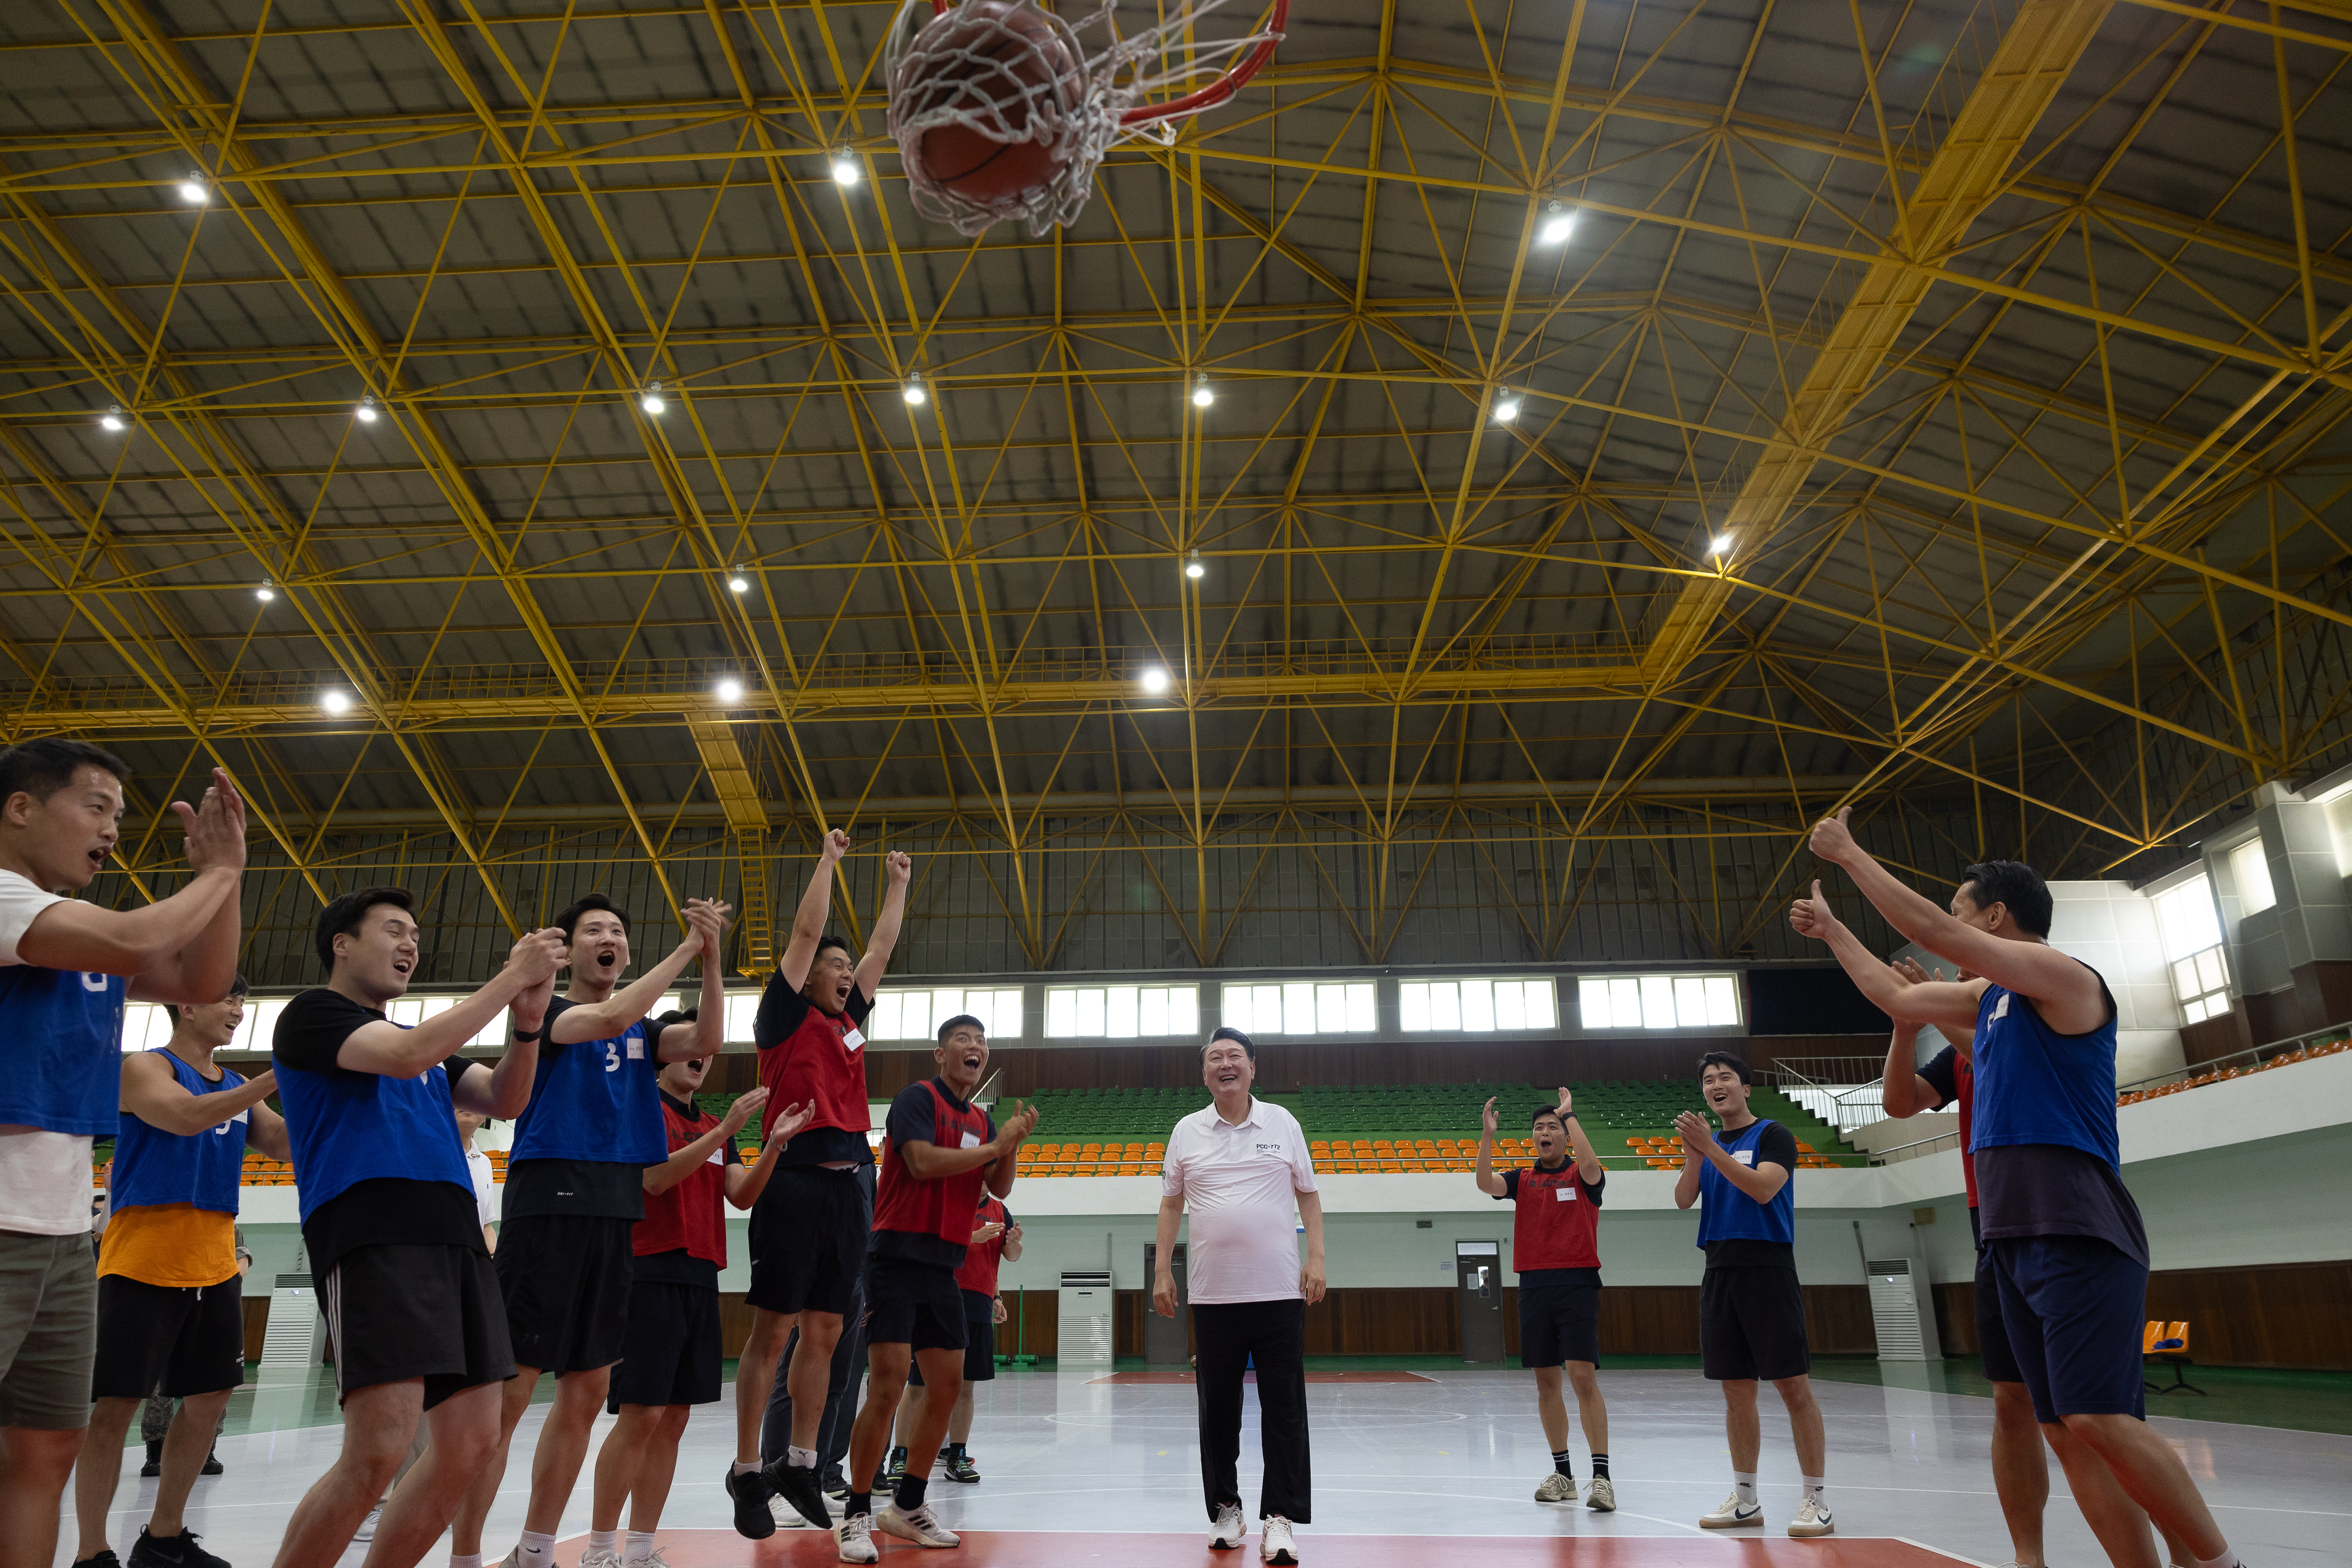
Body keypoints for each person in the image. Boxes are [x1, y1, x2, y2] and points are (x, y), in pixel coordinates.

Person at [1793, 814, 2245, 1568]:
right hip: (2005, 1235)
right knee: (2065, 1432)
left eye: (1966, 910)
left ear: (1996, 917)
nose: (1955, 925)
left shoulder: (2065, 978)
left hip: (2074, 1223)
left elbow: (1938, 934)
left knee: (2098, 1416)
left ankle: (2219, 1564)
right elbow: (1897, 1002)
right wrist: (1836, 933)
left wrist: (1849, 855)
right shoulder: (1989, 1007)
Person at [265, 886, 567, 1568]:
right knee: (378, 1453)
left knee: (468, 1448)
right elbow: (405, 1058)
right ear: (341, 943)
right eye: (394, 930)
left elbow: (506, 1099)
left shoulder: (420, 1043)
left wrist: (526, 1024)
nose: (410, 945)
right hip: (372, 1231)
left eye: (416, 936)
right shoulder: (312, 1016)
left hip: (456, 1239)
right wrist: (510, 976)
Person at [0, 742, 245, 1568]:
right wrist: (212, 875)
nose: (112, 830)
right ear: (21, 807)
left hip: (64, 1227)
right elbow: (140, 936)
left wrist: (230, 875)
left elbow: (204, 975)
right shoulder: (9, 901)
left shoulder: (79, 936)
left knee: (45, 1449)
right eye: (95, 807)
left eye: (120, 816)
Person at [449, 891, 733, 1568]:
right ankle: (463, 1556)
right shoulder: (545, 1008)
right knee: (510, 1398)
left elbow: (706, 1038)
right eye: (594, 931)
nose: (608, 937)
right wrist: (691, 948)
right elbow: (612, 1013)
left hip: (613, 1211)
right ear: (569, 948)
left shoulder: (642, 1029)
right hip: (549, 1199)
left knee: (586, 1392)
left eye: (617, 930)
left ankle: (536, 1549)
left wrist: (714, 961)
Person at [72, 974, 285, 1568]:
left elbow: (284, 1144)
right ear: (187, 1004)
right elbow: (186, 1117)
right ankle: (92, 1551)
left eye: (244, 999)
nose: (238, 1010)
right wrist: (277, 1076)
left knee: (212, 1398)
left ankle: (164, 1537)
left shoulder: (240, 1087)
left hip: (214, 1261)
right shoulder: (145, 1067)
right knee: (115, 1405)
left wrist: (337, 1092)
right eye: (228, 998)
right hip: (142, 1258)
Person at [735, 834, 914, 1536]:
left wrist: (898, 884)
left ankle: (802, 1462)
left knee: (828, 1328)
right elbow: (808, 931)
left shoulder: (847, 1022)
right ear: (806, 975)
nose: (845, 972)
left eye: (846, 968)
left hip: (850, 1185)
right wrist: (829, 863)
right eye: (832, 966)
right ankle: (749, 1466)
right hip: (794, 1176)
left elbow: (880, 952)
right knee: (774, 1329)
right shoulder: (782, 1016)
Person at [583, 1035, 806, 1567]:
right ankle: (597, 1549)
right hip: (649, 1271)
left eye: (707, 1050)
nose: (700, 1056)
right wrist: (729, 1129)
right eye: (688, 1044)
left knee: (675, 1417)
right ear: (663, 1056)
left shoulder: (713, 1129)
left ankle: (639, 1549)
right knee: (641, 1413)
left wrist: (772, 1144)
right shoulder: (642, 1110)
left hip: (701, 1275)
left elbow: (742, 1194)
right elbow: (655, 1180)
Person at [834, 1015, 1034, 1562]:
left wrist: (1008, 1143)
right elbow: (921, 1163)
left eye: (981, 1041)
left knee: (947, 1386)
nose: (975, 1047)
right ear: (940, 1054)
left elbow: (999, 1185)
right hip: (895, 1257)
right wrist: (995, 1147)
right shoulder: (916, 1099)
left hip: (944, 1267)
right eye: (963, 1040)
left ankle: (908, 1504)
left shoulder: (981, 1116)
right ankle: (854, 1514)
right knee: (889, 1385)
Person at [1152, 1027, 1324, 1567]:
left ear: (1253, 1066)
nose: (1225, 1064)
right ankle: (1227, 1509)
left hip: (1277, 1291)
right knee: (1218, 1412)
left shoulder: (1282, 1122)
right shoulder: (1186, 1131)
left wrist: (1316, 1258)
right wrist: (1162, 1269)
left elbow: (1309, 1195)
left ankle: (1280, 1518)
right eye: (1214, 1058)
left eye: (1234, 1056)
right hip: (1213, 1295)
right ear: (1204, 1073)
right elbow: (1170, 1205)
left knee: (1284, 1410)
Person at [1673, 1052, 1830, 1539]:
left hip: (1767, 1265)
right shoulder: (1708, 1142)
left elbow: (1764, 1189)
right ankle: (1745, 1499)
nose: (1715, 1085)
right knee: (1736, 1391)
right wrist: (1696, 1153)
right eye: (1707, 1080)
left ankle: (1816, 1500)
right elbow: (1683, 1198)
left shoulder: (1773, 1134)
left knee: (1792, 1386)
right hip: (1719, 1267)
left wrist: (1710, 1148)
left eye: (1725, 1077)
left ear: (1745, 1088)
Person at [359, 1105, 501, 1547]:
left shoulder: (483, 1162)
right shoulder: (423, 1149)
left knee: (435, 1401)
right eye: (459, 1096)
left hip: (462, 1286)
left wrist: (487, 1264)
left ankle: (406, 1498)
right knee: (393, 1399)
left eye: (479, 1098)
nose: (470, 1105)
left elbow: (487, 1226)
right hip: (415, 1283)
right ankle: (374, 1501)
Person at [1474, 1088, 1613, 1512]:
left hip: (1577, 1283)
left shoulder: (1582, 1177)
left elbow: (1592, 1167)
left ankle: (1602, 1478)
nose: (1545, 1132)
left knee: (1582, 1376)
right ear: (1533, 1138)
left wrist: (1570, 1114)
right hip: (1534, 1285)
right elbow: (1484, 1182)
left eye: (1553, 1126)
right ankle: (1564, 1474)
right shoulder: (1522, 1178)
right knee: (1546, 1381)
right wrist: (1487, 1137)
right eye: (1540, 1127)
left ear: (1566, 1135)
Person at [887, 1189, 1020, 1487]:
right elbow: (929, 1245)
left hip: (979, 1303)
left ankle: (956, 1456)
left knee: (965, 1386)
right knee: (918, 1384)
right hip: (938, 1299)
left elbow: (1010, 1256)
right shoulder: (945, 1201)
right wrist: (974, 1236)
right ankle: (900, 1457)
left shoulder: (1000, 1210)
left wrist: (1012, 1246)